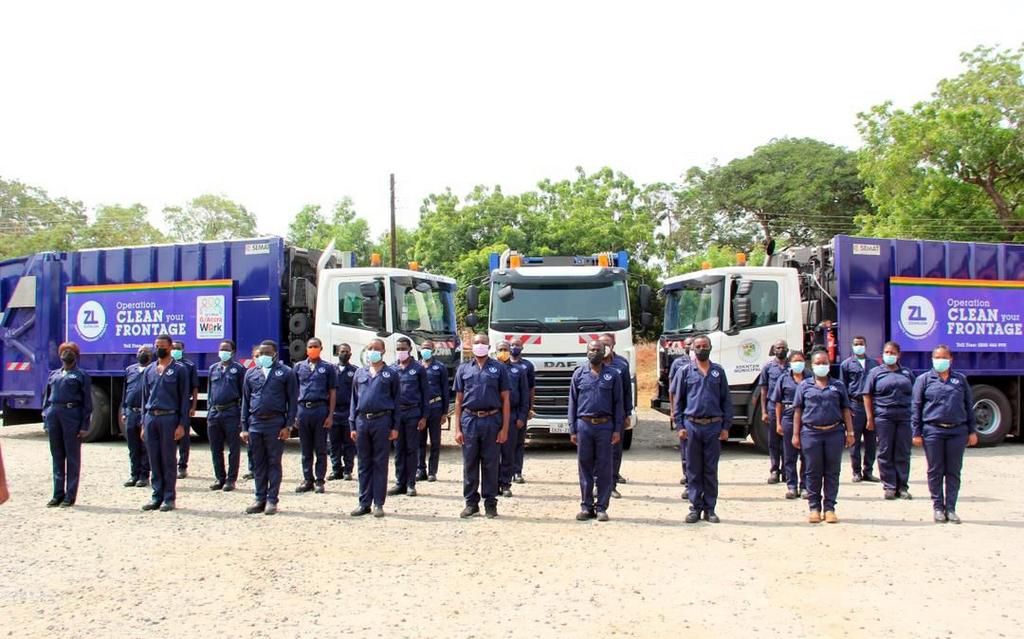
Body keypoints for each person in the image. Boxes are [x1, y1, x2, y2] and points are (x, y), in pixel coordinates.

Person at [911, 345, 978, 524]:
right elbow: (916, 407)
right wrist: (916, 432)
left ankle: (951, 509)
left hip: (957, 431)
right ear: (932, 359)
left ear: (951, 359)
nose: (940, 361)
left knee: (954, 471)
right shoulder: (924, 380)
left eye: (943, 357)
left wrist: (972, 431)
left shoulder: (960, 380)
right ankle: (938, 508)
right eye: (936, 357)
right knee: (935, 470)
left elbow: (968, 405)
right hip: (933, 431)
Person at [672, 334, 731, 523]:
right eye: (698, 346)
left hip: (713, 426)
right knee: (694, 469)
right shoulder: (685, 372)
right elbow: (678, 401)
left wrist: (725, 426)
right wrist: (680, 425)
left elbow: (726, 401)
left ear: (710, 347)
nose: (701, 349)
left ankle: (710, 509)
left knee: (710, 470)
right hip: (692, 426)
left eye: (705, 345)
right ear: (693, 349)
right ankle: (695, 508)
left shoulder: (718, 372)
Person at [793, 350, 855, 524]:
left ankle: (829, 508)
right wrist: (796, 435)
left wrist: (850, 432)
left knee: (832, 472)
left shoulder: (838, 386)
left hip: (834, 433)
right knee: (812, 471)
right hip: (810, 433)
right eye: (818, 363)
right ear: (812, 366)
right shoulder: (804, 386)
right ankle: (814, 507)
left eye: (824, 363)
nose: (822, 366)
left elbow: (845, 409)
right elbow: (798, 410)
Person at [454, 334, 510, 519]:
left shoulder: (499, 368)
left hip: (492, 421)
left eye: (483, 343)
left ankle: (490, 503)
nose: (479, 346)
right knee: (470, 463)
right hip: (469, 420)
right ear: (471, 345)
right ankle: (471, 503)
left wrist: (504, 429)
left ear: (489, 346)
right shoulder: (463, 369)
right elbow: (458, 400)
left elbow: (506, 400)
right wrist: (457, 429)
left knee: (491, 464)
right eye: (476, 343)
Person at [240, 340, 298, 516]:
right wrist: (244, 426)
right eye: (260, 353)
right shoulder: (251, 374)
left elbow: (292, 400)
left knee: (274, 462)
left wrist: (288, 425)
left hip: (275, 424)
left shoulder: (285, 373)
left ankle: (272, 499)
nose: (263, 356)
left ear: (274, 354)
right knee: (258, 463)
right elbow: (245, 401)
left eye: (267, 353)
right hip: (255, 423)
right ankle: (259, 498)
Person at [569, 340, 624, 522]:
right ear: (587, 352)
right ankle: (586, 506)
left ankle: (601, 507)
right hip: (584, 425)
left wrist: (617, 429)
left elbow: (618, 404)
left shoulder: (613, 375)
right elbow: (572, 403)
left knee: (604, 467)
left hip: (605, 426)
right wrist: (572, 429)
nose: (595, 352)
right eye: (592, 349)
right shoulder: (579, 374)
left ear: (604, 352)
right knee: (584, 467)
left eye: (598, 350)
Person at [349, 339, 401, 517]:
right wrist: (352, 424)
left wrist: (395, 426)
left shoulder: (391, 374)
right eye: (370, 349)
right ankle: (364, 503)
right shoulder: (359, 373)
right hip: (362, 422)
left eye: (376, 349)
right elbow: (354, 401)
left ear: (383, 351)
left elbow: (396, 401)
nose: (372, 352)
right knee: (363, 464)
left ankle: (378, 503)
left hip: (382, 421)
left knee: (380, 463)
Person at [141, 334, 190, 512]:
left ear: (170, 347)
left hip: (169, 418)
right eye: (156, 345)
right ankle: (156, 496)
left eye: (162, 345)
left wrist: (182, 425)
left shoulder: (179, 370)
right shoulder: (150, 370)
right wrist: (143, 424)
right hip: (151, 418)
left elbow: (184, 399)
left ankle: (169, 497)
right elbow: (144, 398)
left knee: (168, 459)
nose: (158, 348)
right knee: (154, 458)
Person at [42, 342, 93, 507]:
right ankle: (57, 494)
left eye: (70, 351)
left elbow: (87, 402)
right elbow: (46, 398)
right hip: (54, 415)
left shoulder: (81, 375)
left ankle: (69, 496)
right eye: (64, 351)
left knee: (72, 457)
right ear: (60, 355)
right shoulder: (54, 375)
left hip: (72, 415)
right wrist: (46, 418)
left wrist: (84, 425)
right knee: (57, 456)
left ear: (76, 356)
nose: (67, 353)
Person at [864, 341, 916, 500]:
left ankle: (902, 487)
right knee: (886, 451)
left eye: (893, 353)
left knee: (903, 451)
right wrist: (870, 418)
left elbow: (915, 395)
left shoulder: (907, 373)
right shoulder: (875, 373)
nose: (890, 355)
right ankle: (889, 486)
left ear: (899, 355)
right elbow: (867, 395)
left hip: (904, 417)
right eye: (887, 352)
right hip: (884, 416)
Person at [294, 337, 337, 494]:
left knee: (320, 448)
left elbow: (332, 392)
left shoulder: (328, 368)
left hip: (320, 410)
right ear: (306, 349)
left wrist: (330, 415)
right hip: (303, 410)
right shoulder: (298, 367)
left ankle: (319, 480)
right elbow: (293, 391)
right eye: (310, 346)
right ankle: (307, 479)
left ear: (321, 348)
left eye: (315, 346)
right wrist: (294, 415)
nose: (313, 348)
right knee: (305, 449)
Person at [388, 337, 428, 497]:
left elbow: (425, 394)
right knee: (398, 449)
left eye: (403, 348)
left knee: (412, 449)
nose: (401, 351)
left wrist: (424, 416)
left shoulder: (418, 369)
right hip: (397, 414)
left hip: (413, 413)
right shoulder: (392, 369)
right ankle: (400, 482)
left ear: (410, 349)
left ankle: (411, 483)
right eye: (398, 348)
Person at [839, 336, 879, 483]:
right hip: (855, 405)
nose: (858, 346)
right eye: (856, 344)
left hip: (871, 406)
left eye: (861, 344)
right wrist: (846, 408)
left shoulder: (874, 364)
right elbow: (842, 388)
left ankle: (868, 471)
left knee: (871, 441)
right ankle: (856, 472)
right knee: (854, 441)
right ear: (852, 346)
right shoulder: (846, 364)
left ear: (865, 345)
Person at [207, 339, 245, 492]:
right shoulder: (213, 369)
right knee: (215, 448)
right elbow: (210, 391)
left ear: (232, 352)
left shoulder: (238, 369)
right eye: (221, 349)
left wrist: (241, 416)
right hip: (215, 413)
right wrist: (210, 410)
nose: (223, 352)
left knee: (233, 448)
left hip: (231, 412)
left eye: (227, 349)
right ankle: (219, 477)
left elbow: (244, 394)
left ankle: (231, 479)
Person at [598, 333, 632, 499]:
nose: (604, 347)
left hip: (616, 416)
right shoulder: (592, 364)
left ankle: (611, 485)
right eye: (601, 344)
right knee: (597, 453)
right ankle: (598, 485)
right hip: (598, 416)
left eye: (607, 344)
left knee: (614, 452)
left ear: (613, 345)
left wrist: (628, 413)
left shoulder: (622, 365)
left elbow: (627, 391)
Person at [770, 351, 807, 499]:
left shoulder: (810, 377)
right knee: (789, 455)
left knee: (806, 456)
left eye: (801, 360)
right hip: (788, 417)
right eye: (795, 361)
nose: (798, 363)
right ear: (790, 363)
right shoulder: (783, 379)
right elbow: (777, 402)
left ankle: (805, 486)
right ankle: (792, 486)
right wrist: (778, 423)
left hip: (807, 418)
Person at [496, 340, 530, 498]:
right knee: (492, 454)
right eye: (500, 349)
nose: (503, 351)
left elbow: (525, 396)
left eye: (505, 349)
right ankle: (493, 484)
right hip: (493, 416)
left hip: (512, 416)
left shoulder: (519, 370)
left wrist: (522, 416)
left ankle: (505, 484)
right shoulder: (490, 369)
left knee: (508, 452)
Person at [416, 339, 449, 483]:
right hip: (419, 409)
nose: (426, 350)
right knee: (419, 441)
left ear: (433, 349)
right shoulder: (416, 366)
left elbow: (445, 391)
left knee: (435, 442)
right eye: (423, 348)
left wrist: (444, 412)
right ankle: (420, 469)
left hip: (435, 407)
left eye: (428, 348)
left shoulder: (440, 367)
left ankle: (432, 471)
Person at [120, 345, 152, 488]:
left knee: (145, 446)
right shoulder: (130, 370)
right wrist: (124, 411)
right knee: (133, 447)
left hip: (145, 413)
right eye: (140, 351)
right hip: (131, 413)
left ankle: (144, 476)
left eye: (145, 352)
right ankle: (134, 474)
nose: (142, 353)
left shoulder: (153, 370)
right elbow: (124, 392)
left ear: (151, 355)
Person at [759, 340, 789, 484]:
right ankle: (774, 470)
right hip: (772, 407)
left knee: (788, 442)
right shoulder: (768, 367)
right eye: (778, 347)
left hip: (789, 409)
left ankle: (786, 471)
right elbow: (763, 390)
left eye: (783, 347)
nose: (781, 350)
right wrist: (764, 411)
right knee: (774, 441)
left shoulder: (793, 367)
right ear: (773, 349)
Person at [329, 343, 358, 482]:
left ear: (351, 354)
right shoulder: (331, 370)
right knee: (334, 443)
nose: (344, 353)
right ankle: (336, 469)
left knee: (349, 443)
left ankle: (348, 470)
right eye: (342, 351)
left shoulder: (355, 371)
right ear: (337, 353)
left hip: (348, 411)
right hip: (333, 412)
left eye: (347, 351)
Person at [668, 336, 694, 488]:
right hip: (684, 412)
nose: (690, 347)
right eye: (688, 345)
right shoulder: (679, 364)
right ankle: (686, 474)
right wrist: (673, 409)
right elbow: (673, 390)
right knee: (685, 448)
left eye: (692, 345)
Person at [171, 340, 199, 480]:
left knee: (184, 437)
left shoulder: (189, 365)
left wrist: (193, 406)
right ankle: (170, 466)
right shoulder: (164, 365)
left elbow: (194, 387)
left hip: (184, 405)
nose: (175, 350)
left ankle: (182, 466)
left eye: (178, 348)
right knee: (168, 438)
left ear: (183, 350)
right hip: (169, 405)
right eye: (173, 348)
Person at [508, 338, 535, 484]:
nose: (514, 347)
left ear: (522, 347)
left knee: (519, 442)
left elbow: (530, 389)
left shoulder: (527, 366)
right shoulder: (500, 366)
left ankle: (517, 471)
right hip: (503, 412)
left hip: (520, 410)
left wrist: (530, 408)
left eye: (517, 345)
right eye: (511, 345)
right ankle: (504, 471)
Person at [242, 345, 260, 481]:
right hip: (253, 416)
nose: (260, 358)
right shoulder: (250, 373)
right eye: (257, 356)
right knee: (251, 446)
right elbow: (246, 399)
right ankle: (252, 469)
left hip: (268, 417)